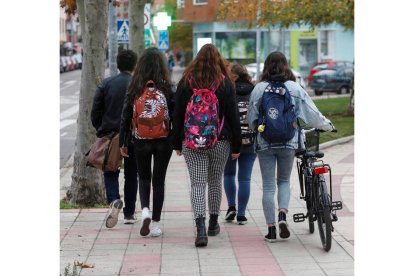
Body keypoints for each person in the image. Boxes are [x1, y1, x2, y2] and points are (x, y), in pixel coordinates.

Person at [247, 51, 335, 242]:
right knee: (284, 181)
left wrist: (259, 129)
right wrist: (328, 125)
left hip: (265, 143)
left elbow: (251, 119)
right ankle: (282, 216)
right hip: (288, 142)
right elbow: (311, 113)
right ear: (286, 65)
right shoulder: (294, 87)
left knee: (269, 186)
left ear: (266, 67)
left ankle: (271, 230)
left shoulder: (259, 89)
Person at [171, 44, 241, 247]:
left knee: (197, 183)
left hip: (191, 141)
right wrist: (237, 145)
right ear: (219, 60)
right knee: (215, 181)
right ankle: (213, 223)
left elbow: (177, 114)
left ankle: (199, 227)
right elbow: (233, 117)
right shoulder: (225, 84)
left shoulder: (186, 82)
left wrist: (176, 141)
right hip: (220, 140)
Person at [119, 47, 174, 238]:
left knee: (143, 177)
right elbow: (174, 114)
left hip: (140, 140)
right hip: (163, 139)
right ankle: (156, 224)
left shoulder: (135, 85)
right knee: (159, 181)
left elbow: (126, 115)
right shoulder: (167, 86)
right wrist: (176, 140)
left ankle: (144, 212)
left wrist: (123, 142)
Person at [91, 49, 139, 228]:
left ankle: (114, 200)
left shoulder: (106, 84)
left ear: (118, 65)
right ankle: (129, 214)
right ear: (135, 65)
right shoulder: (138, 84)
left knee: (110, 170)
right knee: (132, 174)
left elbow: (95, 112)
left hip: (111, 135)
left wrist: (100, 129)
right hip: (134, 136)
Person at [223, 64, 256, 225]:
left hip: (230, 141)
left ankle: (231, 207)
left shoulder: (227, 90)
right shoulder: (255, 91)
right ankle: (242, 214)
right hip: (250, 141)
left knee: (229, 174)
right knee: (245, 179)